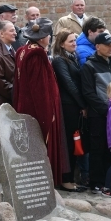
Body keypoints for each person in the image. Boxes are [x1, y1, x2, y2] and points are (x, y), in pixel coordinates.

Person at [14, 19, 70, 188]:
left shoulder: (22, 50)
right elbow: (40, 89)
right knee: (40, 143)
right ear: (42, 38)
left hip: (24, 104)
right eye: (48, 35)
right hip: (39, 109)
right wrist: (48, 115)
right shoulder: (37, 54)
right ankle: (43, 181)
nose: (50, 38)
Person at [81, 31, 111, 193]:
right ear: (97, 47)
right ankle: (96, 182)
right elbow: (88, 93)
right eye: (107, 45)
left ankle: (109, 180)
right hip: (99, 115)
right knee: (97, 149)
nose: (110, 47)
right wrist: (108, 109)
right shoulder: (89, 66)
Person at [51, 29, 87, 192]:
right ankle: (66, 179)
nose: (75, 44)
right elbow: (69, 85)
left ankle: (71, 177)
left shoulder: (72, 58)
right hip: (67, 106)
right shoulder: (59, 60)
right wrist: (82, 104)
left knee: (75, 142)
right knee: (69, 142)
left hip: (74, 105)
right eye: (71, 41)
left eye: (75, 41)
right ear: (61, 44)